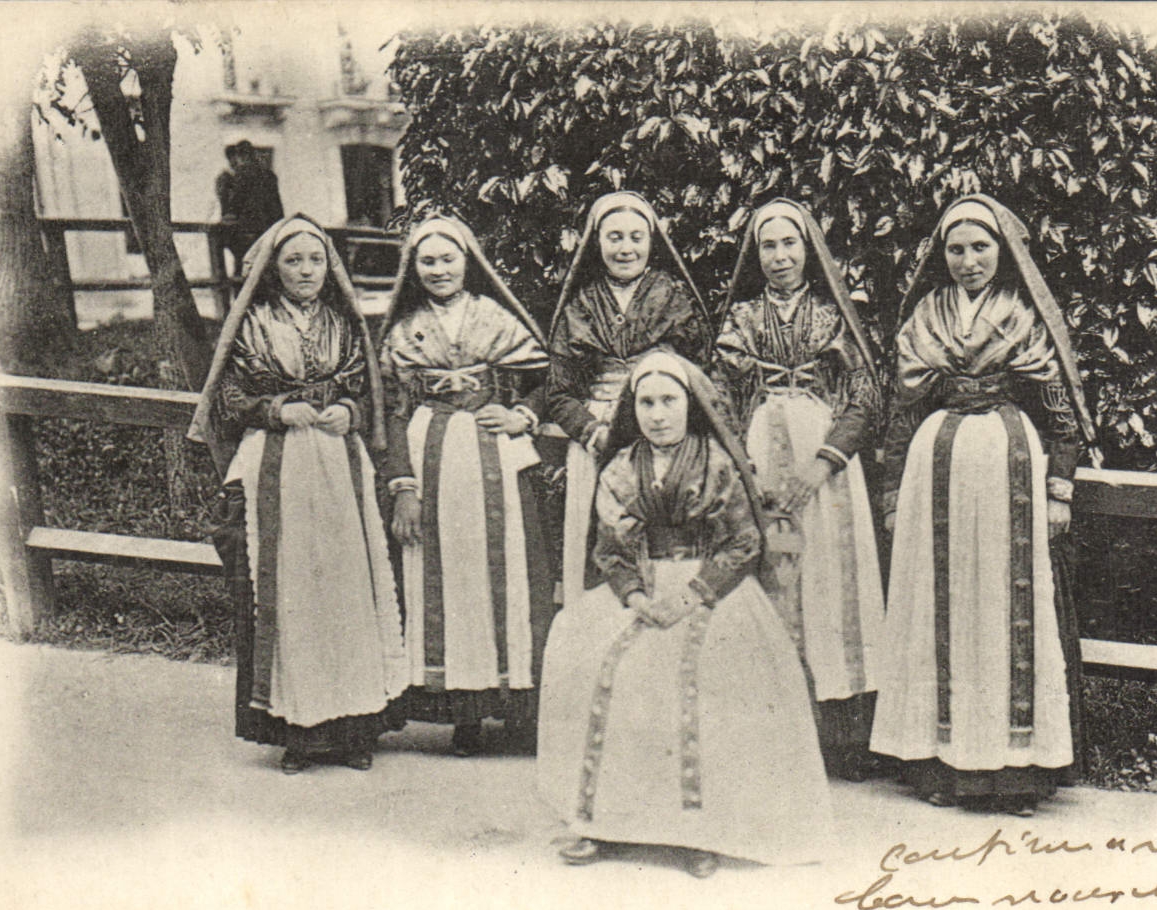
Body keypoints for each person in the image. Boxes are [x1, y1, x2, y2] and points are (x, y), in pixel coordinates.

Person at [537, 352, 836, 878]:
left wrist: (693, 594)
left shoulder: (716, 462)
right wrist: (635, 597)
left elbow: (743, 543)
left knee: (713, 677)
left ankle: (704, 831)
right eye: (646, 403)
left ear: (689, 405)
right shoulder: (621, 466)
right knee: (597, 661)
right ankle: (601, 822)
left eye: (668, 401)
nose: (657, 415)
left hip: (710, 589)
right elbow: (610, 549)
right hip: (643, 589)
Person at [870, 194, 1098, 816]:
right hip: (934, 469)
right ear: (941, 256)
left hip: (1008, 467)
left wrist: (1059, 489)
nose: (968, 261)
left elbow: (1059, 410)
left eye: (980, 247)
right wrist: (892, 494)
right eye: (956, 249)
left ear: (1002, 251)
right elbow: (903, 412)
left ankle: (1015, 774)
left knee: (1003, 604)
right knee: (938, 605)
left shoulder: (1023, 313)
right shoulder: (927, 315)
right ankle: (939, 764)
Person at [189, 215, 408, 773]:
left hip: (338, 463)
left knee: (348, 587)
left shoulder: (343, 323)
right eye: (294, 261)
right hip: (277, 464)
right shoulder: (253, 323)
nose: (307, 271)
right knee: (291, 590)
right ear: (273, 269)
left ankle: (356, 727)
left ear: (330, 267)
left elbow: (368, 389)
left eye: (316, 260)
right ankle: (300, 732)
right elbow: (228, 397)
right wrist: (275, 409)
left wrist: (350, 410)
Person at [712, 198, 885, 781]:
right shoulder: (740, 319)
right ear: (755, 254)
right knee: (768, 580)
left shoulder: (836, 315)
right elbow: (718, 396)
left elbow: (865, 397)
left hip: (825, 467)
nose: (780, 256)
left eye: (790, 243)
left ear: (808, 249)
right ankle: (771, 731)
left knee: (833, 583)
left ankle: (843, 736)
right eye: (768, 245)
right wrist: (744, 466)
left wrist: (824, 462)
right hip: (760, 456)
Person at [377, 216, 553, 756]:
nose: (438, 270)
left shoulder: (496, 318)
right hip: (430, 459)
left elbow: (546, 380)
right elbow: (391, 410)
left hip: (494, 461)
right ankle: (464, 714)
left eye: (447, 259)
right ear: (413, 268)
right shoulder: (404, 330)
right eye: (427, 261)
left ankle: (518, 708)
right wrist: (403, 487)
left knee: (505, 577)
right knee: (446, 584)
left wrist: (522, 414)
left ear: (468, 262)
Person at [544, 191, 711, 608]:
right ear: (596, 242)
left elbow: (699, 377)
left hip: (659, 430)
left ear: (651, 241)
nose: (626, 248)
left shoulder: (674, 297)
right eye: (614, 237)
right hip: (597, 437)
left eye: (636, 237)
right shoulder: (580, 304)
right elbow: (559, 392)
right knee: (602, 538)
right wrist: (591, 431)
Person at [217, 141, 285, 268]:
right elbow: (278, 206)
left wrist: (228, 216)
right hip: (269, 229)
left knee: (242, 261)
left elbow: (235, 204)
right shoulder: (270, 175)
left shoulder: (242, 175)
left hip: (248, 229)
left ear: (241, 157)